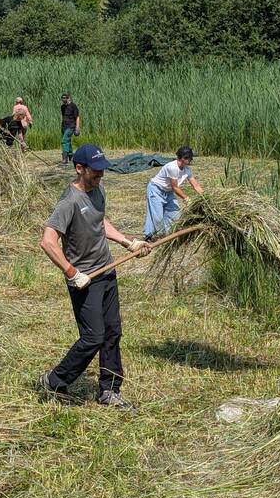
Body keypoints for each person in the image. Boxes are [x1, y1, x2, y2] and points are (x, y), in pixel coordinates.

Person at [39, 144, 151, 409]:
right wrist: (72, 273)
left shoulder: (98, 190)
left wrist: (127, 242)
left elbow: (100, 222)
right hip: (85, 281)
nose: (101, 174)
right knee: (93, 337)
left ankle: (109, 391)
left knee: (112, 332)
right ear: (80, 169)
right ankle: (55, 380)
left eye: (102, 169)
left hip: (107, 271)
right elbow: (48, 241)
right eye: (95, 170)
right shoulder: (69, 202)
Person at [143, 146, 203, 240]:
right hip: (156, 190)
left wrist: (204, 197)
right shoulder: (172, 167)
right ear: (183, 158)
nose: (191, 160)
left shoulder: (187, 169)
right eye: (190, 158)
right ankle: (149, 236)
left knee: (175, 215)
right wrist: (186, 198)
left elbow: (196, 185)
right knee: (157, 216)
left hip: (168, 192)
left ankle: (167, 236)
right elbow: (175, 187)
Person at [60, 93, 80, 166]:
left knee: (64, 141)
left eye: (65, 98)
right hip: (64, 126)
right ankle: (71, 156)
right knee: (68, 141)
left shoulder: (73, 106)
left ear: (68, 98)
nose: (63, 100)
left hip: (71, 126)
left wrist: (77, 127)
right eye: (62, 98)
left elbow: (77, 117)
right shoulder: (62, 106)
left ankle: (65, 158)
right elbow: (62, 116)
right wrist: (61, 125)